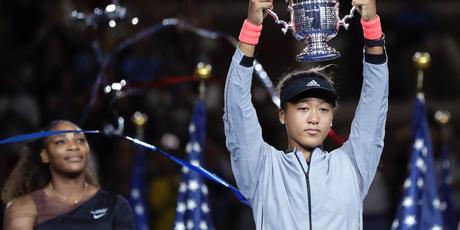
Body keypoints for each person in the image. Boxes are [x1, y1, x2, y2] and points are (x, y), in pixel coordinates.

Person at [223, 0, 388, 229]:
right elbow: (236, 109)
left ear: (331, 117)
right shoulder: (262, 168)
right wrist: (251, 28)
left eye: (323, 109)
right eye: (302, 108)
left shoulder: (352, 165)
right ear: (282, 115)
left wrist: (371, 27)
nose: (314, 118)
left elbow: (375, 104)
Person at [2, 120, 135, 230]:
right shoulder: (24, 208)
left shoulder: (115, 205)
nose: (73, 146)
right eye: (61, 141)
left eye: (80, 140)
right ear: (45, 155)